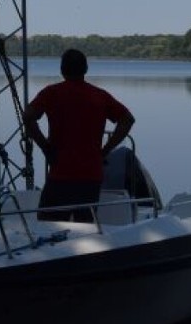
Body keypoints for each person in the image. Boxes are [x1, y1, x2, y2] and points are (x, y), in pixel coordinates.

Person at [23, 48, 135, 222]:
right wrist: (106, 150)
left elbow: (28, 116)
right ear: (86, 69)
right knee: (86, 228)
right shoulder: (99, 96)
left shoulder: (51, 93)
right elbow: (127, 120)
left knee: (48, 224)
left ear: (62, 69)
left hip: (60, 174)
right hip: (90, 176)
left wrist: (45, 146)